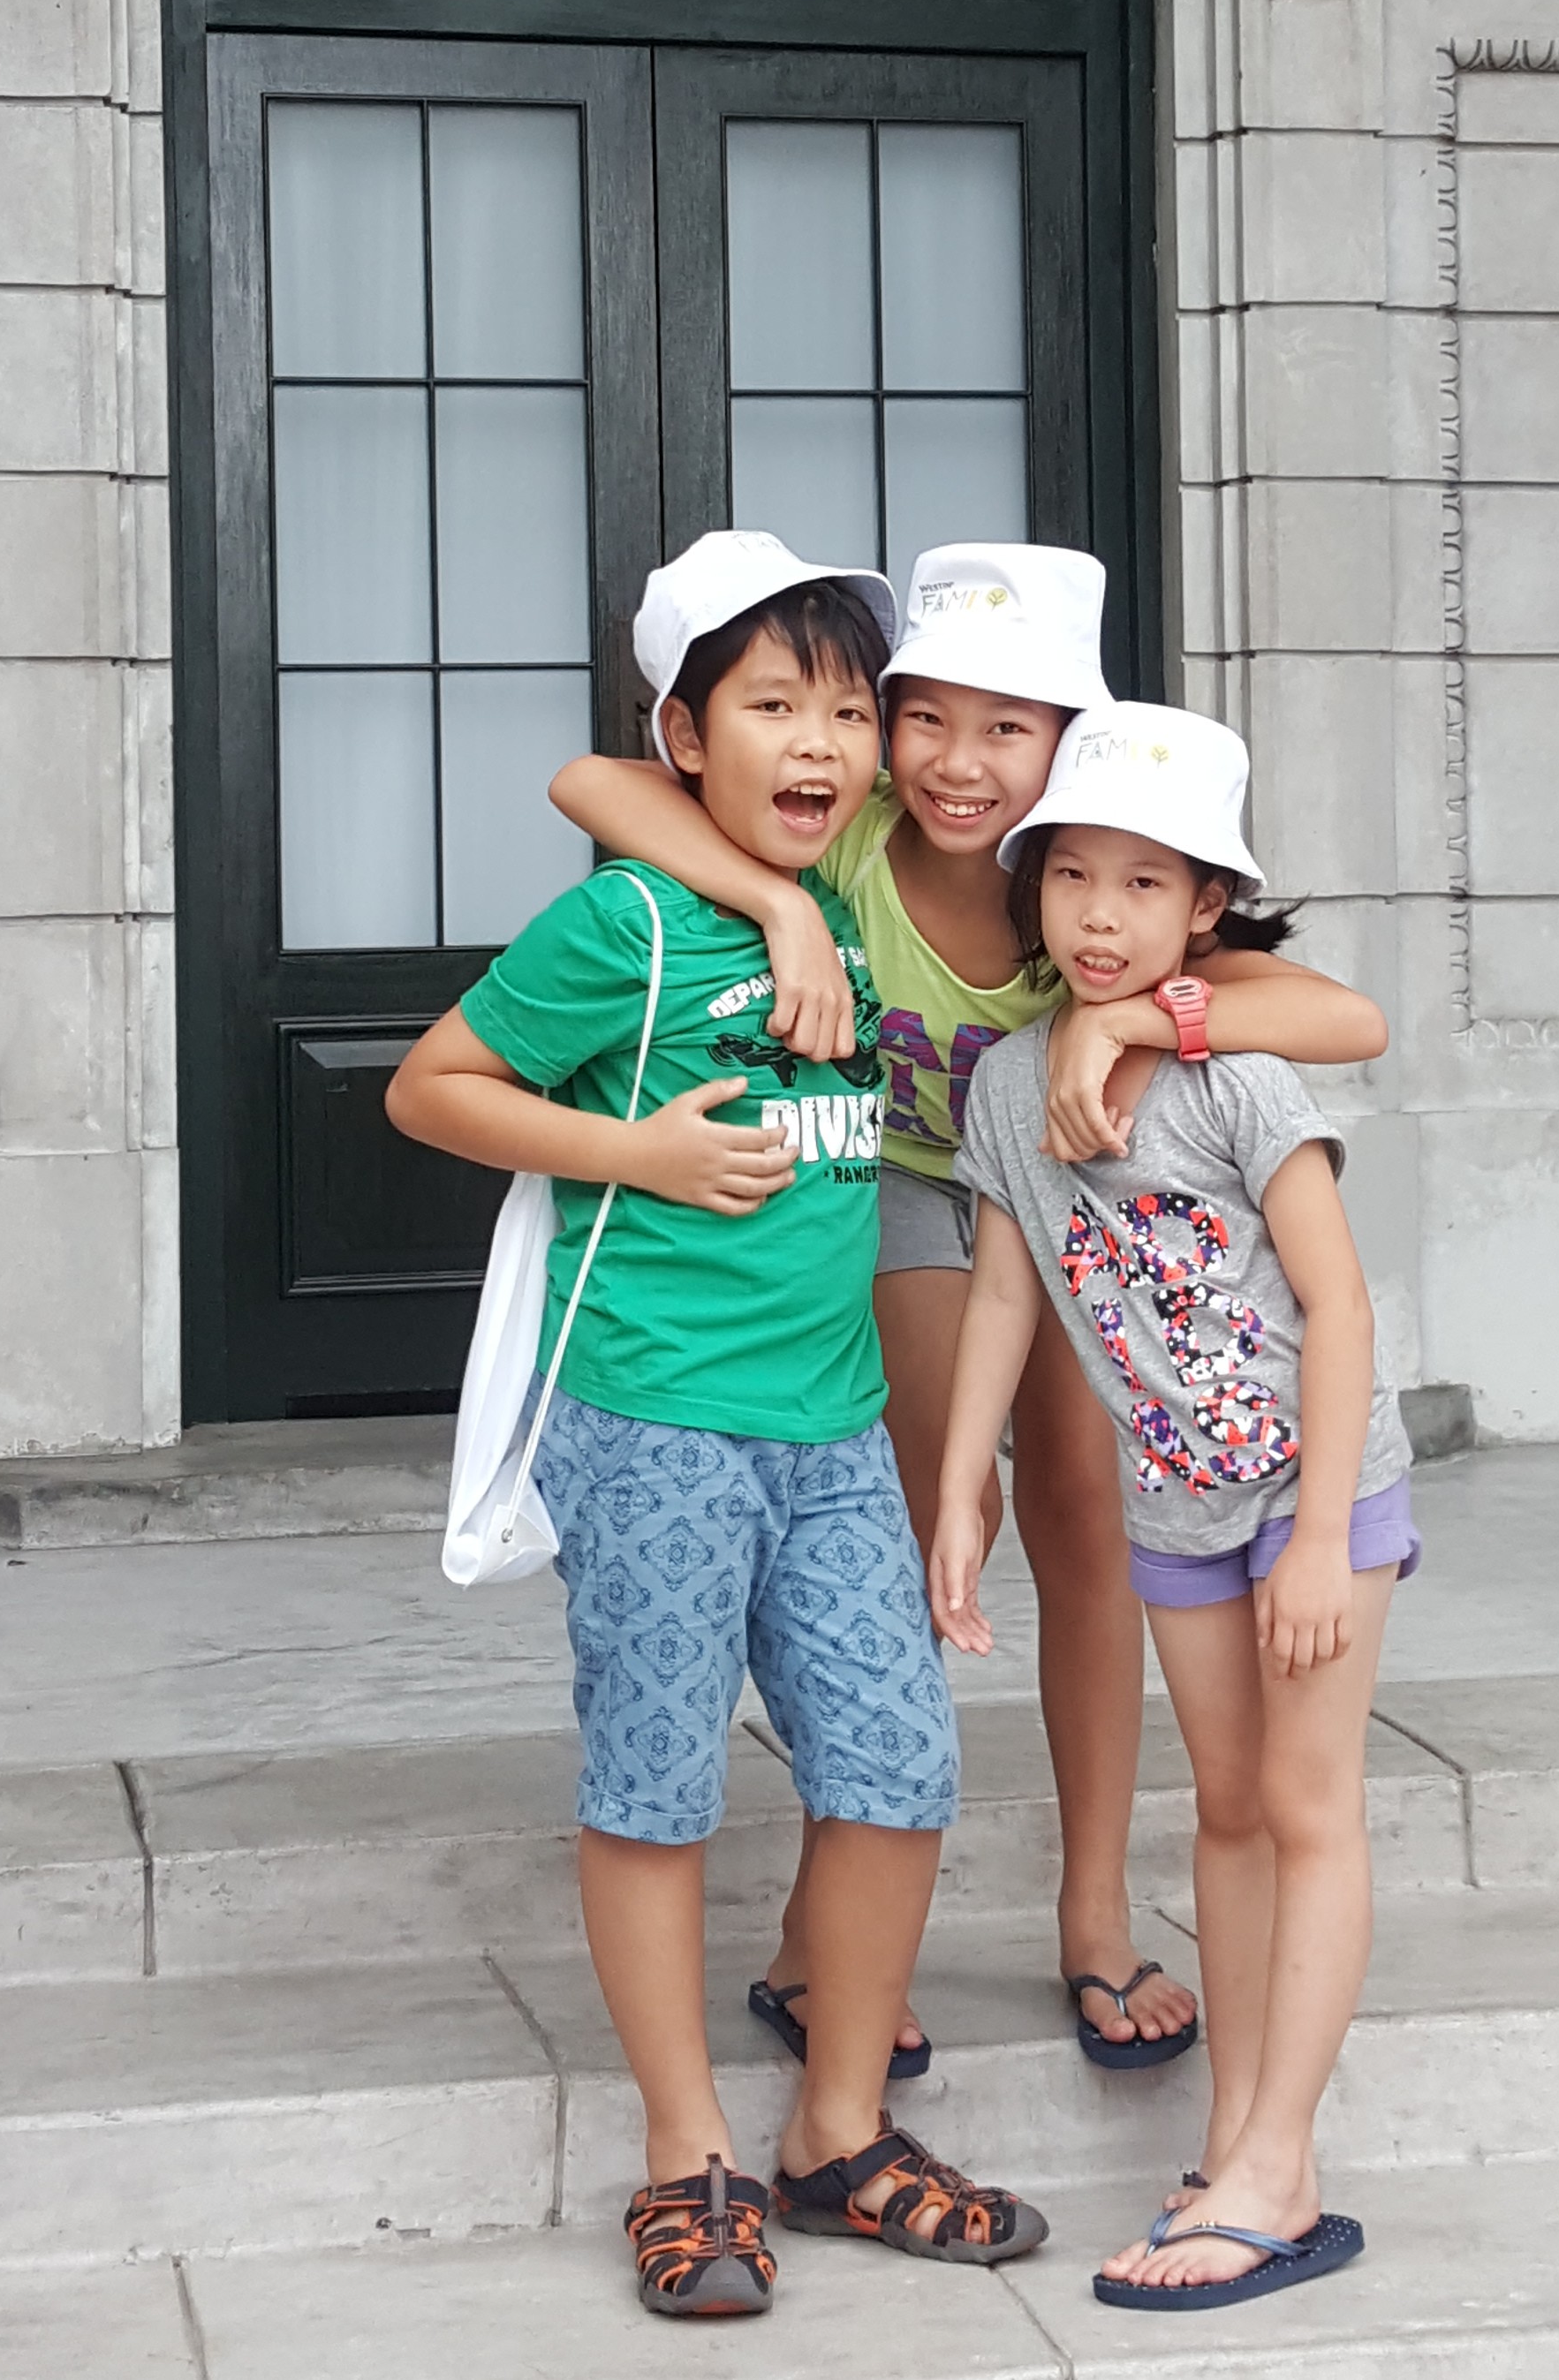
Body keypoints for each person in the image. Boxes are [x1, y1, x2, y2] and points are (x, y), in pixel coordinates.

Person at [554, 544, 1387, 2081]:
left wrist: (1135, 1011)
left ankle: (1093, 1911)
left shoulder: (1092, 875)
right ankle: (828, 1933)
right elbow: (591, 783)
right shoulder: (859, 826)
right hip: (880, 1185)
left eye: (1011, 728)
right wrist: (779, 905)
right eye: (925, 715)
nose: (959, 761)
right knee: (941, 1502)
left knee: (1085, 1502)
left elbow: (1348, 1016)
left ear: (1072, 743)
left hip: (1050, 1200)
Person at [388, 533, 1046, 2323]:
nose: (819, 741)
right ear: (688, 735)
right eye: (770, 706)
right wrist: (639, 1150)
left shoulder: (853, 885)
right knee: (656, 1781)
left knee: (897, 1761)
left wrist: (791, 902)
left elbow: (665, 788)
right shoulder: (628, 926)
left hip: (835, 1429)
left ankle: (838, 2128)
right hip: (656, 1418)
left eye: (846, 709)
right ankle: (686, 2155)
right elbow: (433, 1084)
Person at [928, 701, 1418, 2318]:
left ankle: (1281, 2169)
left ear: (1206, 905)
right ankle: (1234, 2146)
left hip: (1314, 1486)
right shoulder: (1011, 1083)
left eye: (1145, 882)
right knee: (1224, 1809)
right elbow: (1006, 1295)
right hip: (1177, 1503)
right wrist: (962, 1487)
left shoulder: (1240, 1076)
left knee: (1306, 1800)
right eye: (1073, 875)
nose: (1101, 914)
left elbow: (1340, 1307)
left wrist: (1325, 1532)